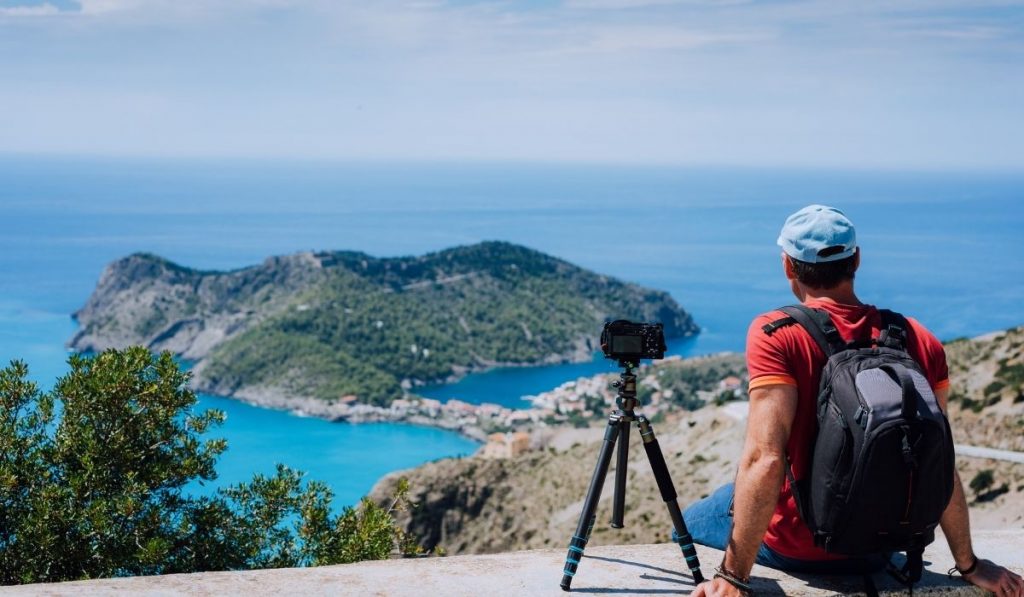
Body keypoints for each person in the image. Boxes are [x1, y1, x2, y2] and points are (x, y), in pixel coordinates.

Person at [685, 205, 1023, 597]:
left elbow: (766, 458)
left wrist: (732, 577)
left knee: (694, 518)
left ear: (788, 267)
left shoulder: (776, 334)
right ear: (856, 259)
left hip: (800, 548)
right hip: (881, 546)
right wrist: (970, 563)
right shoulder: (919, 338)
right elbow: (938, 459)